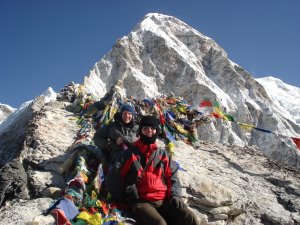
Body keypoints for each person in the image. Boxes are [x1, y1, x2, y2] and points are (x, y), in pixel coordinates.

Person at [112, 115, 199, 225]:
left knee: (190, 218)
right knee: (160, 223)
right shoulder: (130, 154)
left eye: (153, 128)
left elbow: (172, 176)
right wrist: (126, 200)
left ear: (157, 131)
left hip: (163, 200)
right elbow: (114, 177)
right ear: (140, 131)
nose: (149, 131)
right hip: (142, 202)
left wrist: (175, 195)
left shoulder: (162, 154)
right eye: (145, 128)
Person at [93, 104, 139, 170]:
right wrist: (109, 144)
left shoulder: (137, 128)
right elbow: (96, 137)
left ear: (133, 115)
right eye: (124, 113)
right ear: (121, 114)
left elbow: (143, 141)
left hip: (133, 157)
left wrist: (128, 139)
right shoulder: (112, 126)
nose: (127, 116)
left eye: (129, 114)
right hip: (114, 157)